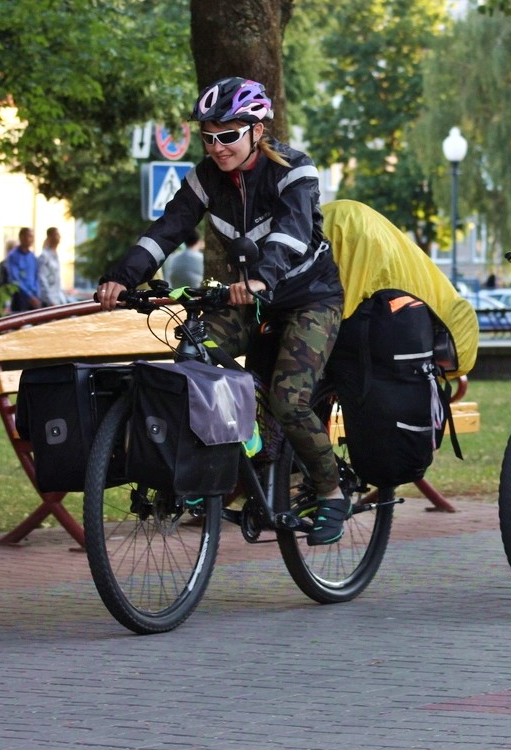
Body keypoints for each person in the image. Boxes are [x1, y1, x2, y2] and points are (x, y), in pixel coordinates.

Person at [97, 77, 348, 546]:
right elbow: (169, 228)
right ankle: (221, 454)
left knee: (289, 400)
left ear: (257, 130)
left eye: (228, 135)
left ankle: (331, 491)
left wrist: (260, 278)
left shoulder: (295, 170)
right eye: (208, 137)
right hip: (250, 299)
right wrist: (123, 277)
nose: (217, 147)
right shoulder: (207, 177)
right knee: (194, 349)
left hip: (310, 298)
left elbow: (291, 233)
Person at [5, 228, 41, 312]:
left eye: (32, 237)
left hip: (34, 298)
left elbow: (36, 277)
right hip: (20, 298)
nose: (31, 239)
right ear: (21, 237)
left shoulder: (32, 256)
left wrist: (36, 294)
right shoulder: (13, 256)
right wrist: (29, 296)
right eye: (28, 236)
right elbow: (15, 280)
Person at [37, 227, 70, 307]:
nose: (59, 237)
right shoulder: (44, 257)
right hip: (50, 301)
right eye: (56, 235)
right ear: (50, 237)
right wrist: (49, 300)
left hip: (59, 298)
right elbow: (42, 279)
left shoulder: (56, 255)